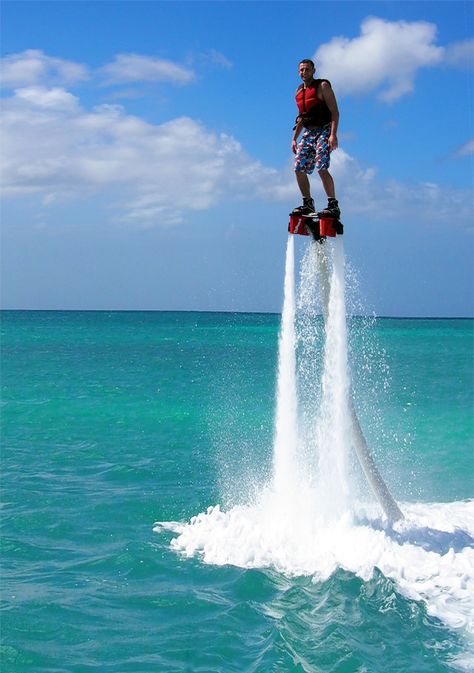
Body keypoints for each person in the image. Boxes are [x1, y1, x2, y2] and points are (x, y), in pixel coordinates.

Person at [291, 59, 340, 218]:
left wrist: (333, 134)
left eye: (306, 69)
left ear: (313, 70)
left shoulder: (322, 87)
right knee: (298, 168)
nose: (303, 73)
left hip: (324, 130)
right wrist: (294, 139)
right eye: (301, 70)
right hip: (308, 132)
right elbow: (301, 118)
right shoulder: (299, 92)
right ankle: (307, 203)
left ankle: (333, 205)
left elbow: (335, 112)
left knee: (321, 167)